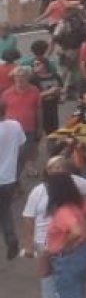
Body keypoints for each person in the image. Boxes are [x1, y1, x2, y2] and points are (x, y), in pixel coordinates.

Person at [42, 167, 86, 298]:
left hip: (67, 259)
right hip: (82, 252)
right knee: (78, 289)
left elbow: (76, 231)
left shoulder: (63, 212)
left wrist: (64, 246)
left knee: (69, 292)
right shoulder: (78, 203)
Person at [0, 97, 28, 259]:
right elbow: (22, 144)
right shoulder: (14, 125)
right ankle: (11, 238)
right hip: (9, 178)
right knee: (5, 210)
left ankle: (11, 239)